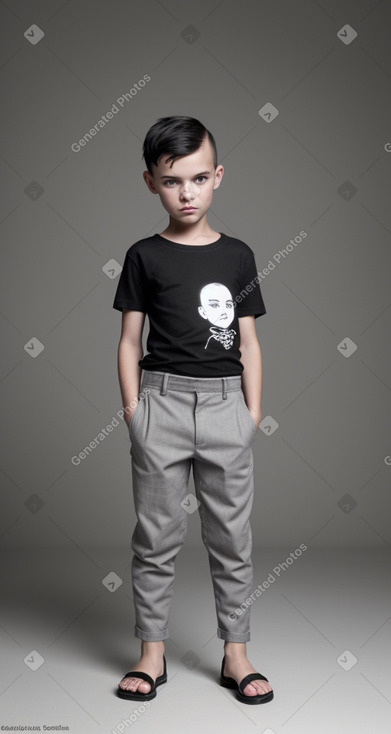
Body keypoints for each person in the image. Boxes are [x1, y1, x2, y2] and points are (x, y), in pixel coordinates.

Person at [113, 115, 274, 705]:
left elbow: (250, 342)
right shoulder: (143, 255)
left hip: (227, 406)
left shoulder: (237, 255)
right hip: (161, 404)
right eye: (172, 180)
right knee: (155, 536)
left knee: (231, 537)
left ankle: (237, 654)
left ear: (218, 178)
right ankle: (150, 653)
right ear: (151, 182)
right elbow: (130, 342)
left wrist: (252, 414)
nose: (187, 192)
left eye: (199, 178)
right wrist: (134, 411)